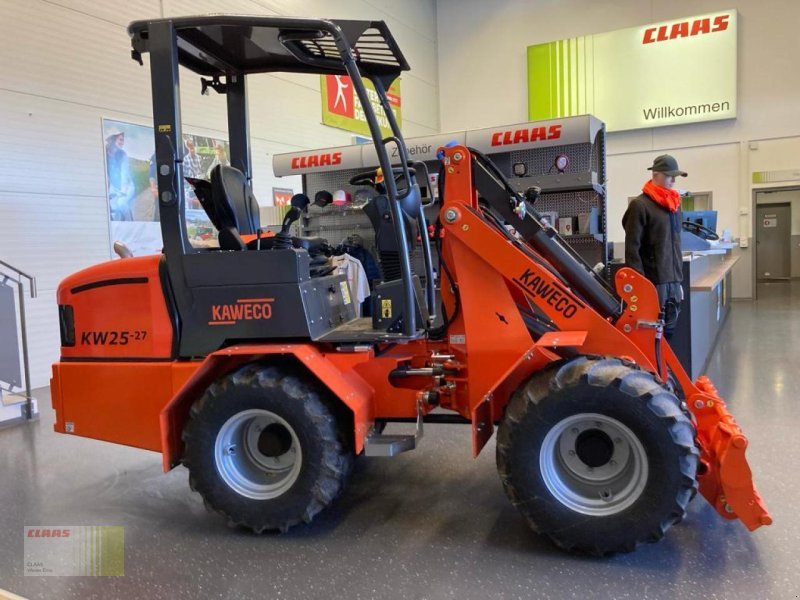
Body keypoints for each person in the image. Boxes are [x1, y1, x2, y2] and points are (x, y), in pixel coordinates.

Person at [622, 154, 687, 338]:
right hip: (654, 283)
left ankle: (663, 367)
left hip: (673, 281)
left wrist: (677, 280)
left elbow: (674, 242)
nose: (673, 180)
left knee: (669, 333)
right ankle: (654, 367)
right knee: (653, 335)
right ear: (655, 174)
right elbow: (632, 249)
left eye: (676, 176)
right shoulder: (640, 205)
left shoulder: (673, 206)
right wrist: (641, 286)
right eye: (669, 175)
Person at [105, 128, 135, 221]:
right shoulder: (104, 154)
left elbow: (124, 173)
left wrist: (123, 191)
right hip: (113, 187)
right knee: (112, 208)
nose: (122, 142)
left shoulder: (123, 155)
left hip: (126, 186)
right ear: (113, 139)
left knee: (121, 203)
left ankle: (131, 225)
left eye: (123, 140)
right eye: (120, 139)